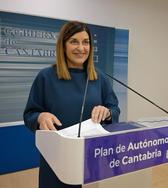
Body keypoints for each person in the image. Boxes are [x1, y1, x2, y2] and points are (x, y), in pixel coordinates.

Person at [24, 21, 120, 188]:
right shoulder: (46, 77)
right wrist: (40, 116)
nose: (81, 48)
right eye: (74, 41)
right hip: (56, 160)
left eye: (86, 42)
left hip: (92, 159)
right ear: (63, 45)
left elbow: (114, 109)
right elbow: (29, 115)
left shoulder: (100, 78)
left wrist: (107, 112)